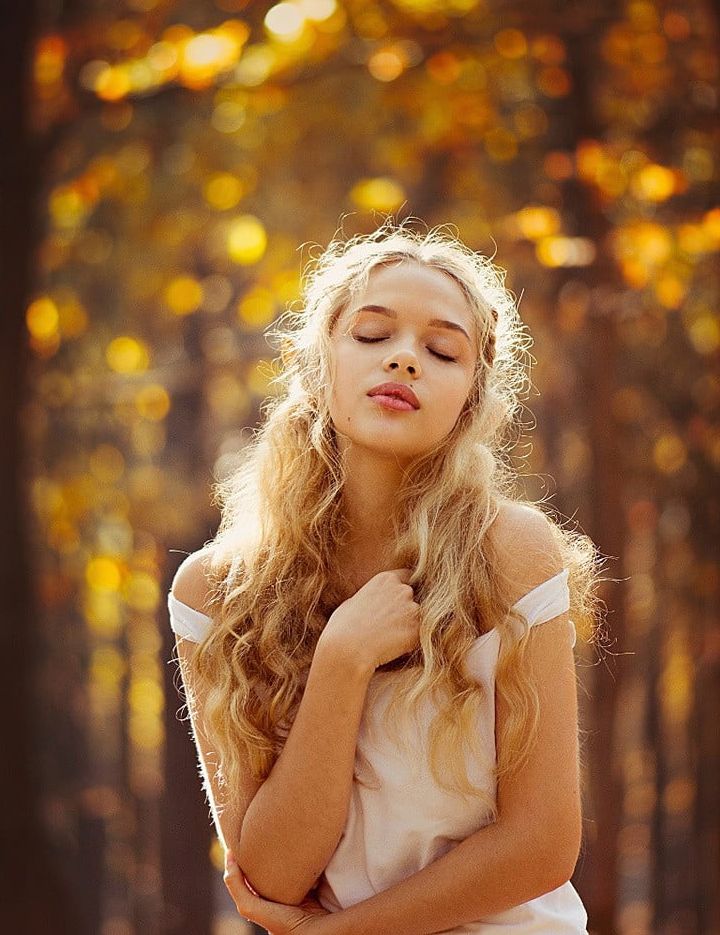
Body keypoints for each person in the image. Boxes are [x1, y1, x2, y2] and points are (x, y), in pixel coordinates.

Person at [166, 223, 606, 934]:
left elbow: (542, 846)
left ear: (471, 397)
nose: (405, 360)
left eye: (441, 351)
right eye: (373, 336)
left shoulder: (513, 553)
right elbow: (273, 874)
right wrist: (341, 662)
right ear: (319, 362)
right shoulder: (214, 592)